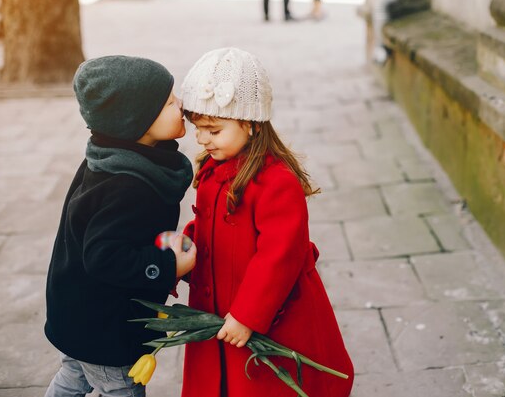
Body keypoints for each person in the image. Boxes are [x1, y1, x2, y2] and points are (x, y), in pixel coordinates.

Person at [179, 47, 354, 397]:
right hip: (217, 311)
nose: (201, 138)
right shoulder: (213, 169)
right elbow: (209, 227)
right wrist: (185, 249)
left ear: (251, 124)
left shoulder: (275, 182)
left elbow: (280, 255)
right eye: (198, 128)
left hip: (271, 318)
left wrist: (248, 315)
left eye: (213, 129)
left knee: (261, 386)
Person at [44, 55, 197, 397]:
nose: (181, 105)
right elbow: (104, 256)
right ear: (136, 121)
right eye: (170, 102)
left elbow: (115, 233)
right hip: (105, 328)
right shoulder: (127, 185)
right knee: (121, 387)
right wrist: (168, 266)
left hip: (77, 316)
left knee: (73, 376)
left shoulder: (108, 158)